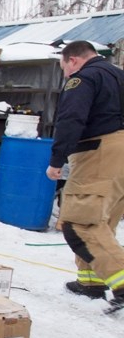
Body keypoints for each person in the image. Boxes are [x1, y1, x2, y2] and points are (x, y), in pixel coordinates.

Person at [45, 40, 124, 306]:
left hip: (100, 151)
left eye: (64, 68)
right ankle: (91, 281)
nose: (65, 74)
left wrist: (57, 159)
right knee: (104, 219)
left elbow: (72, 118)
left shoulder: (84, 78)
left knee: (81, 222)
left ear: (73, 60)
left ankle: (122, 282)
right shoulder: (119, 76)